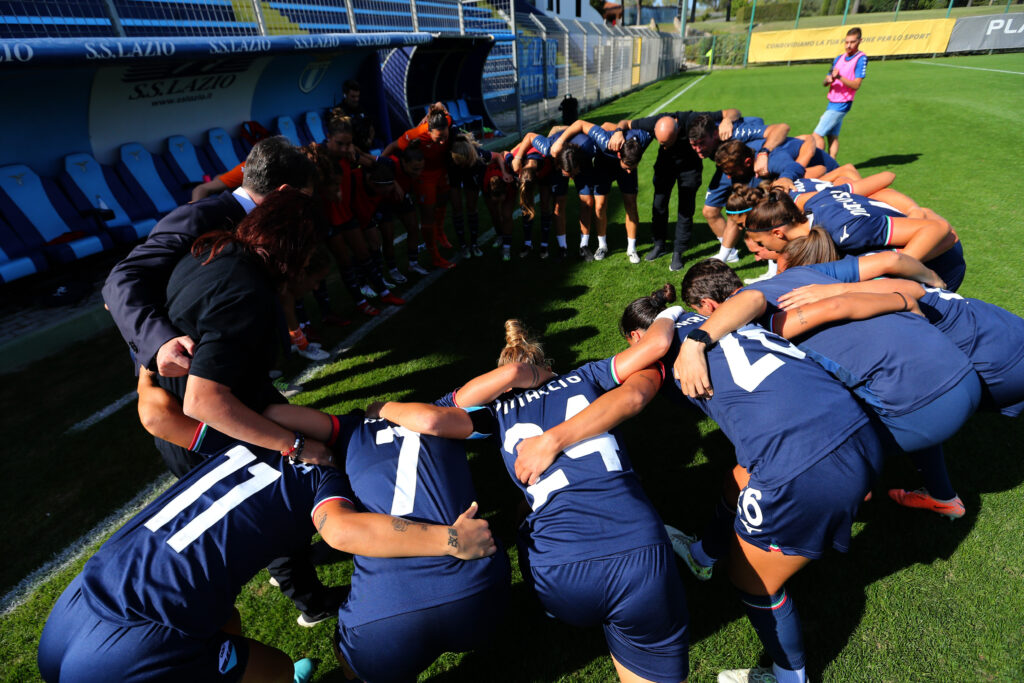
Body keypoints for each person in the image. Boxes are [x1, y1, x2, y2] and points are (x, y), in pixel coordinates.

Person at [586, 282, 890, 683]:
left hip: (801, 465)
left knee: (752, 580)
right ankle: (703, 555)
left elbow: (632, 395)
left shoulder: (657, 348)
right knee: (738, 477)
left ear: (637, 338)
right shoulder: (723, 317)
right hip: (860, 431)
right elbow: (752, 297)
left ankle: (788, 676)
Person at [370, 320, 691, 683]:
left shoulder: (493, 414)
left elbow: (429, 420)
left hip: (560, 573)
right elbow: (653, 352)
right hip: (637, 550)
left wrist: (382, 405)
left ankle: (556, 610)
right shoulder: (587, 375)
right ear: (546, 364)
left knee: (524, 518)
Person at [37, 438, 496, 683]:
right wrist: (452, 538)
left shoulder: (245, 443)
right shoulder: (324, 470)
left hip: (76, 607)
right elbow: (341, 530)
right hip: (133, 644)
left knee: (223, 621)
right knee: (274, 671)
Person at [679, 258, 981, 524]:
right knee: (897, 387)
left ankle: (840, 509)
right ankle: (942, 495)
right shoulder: (797, 274)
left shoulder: (758, 322)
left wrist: (696, 341)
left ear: (708, 306)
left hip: (926, 409)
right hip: (961, 372)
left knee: (828, 444)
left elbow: (752, 300)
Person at [776, 232, 1024, 515]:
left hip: (995, 359)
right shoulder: (856, 265)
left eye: (784, 274)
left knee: (907, 399)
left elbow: (906, 296)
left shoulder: (844, 295)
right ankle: (938, 492)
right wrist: (932, 277)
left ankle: (913, 493)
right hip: (1003, 326)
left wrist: (836, 293)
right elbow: (898, 264)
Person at [103, 136, 315, 380]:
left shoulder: (253, 223)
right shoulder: (200, 217)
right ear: (284, 193)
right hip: (187, 364)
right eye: (304, 199)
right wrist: (161, 342)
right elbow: (123, 277)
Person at [749, 184, 966, 291]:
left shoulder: (846, 230)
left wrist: (900, 269)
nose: (763, 251)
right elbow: (877, 192)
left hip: (943, 264)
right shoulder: (814, 202)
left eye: (760, 243)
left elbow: (936, 230)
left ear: (778, 232)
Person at [609, 109, 740, 270]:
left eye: (668, 143)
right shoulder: (656, 121)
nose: (665, 146)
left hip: (690, 169)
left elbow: (733, 111)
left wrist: (727, 120)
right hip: (665, 167)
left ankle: (679, 251)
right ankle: (659, 244)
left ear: (678, 131)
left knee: (685, 210)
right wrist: (618, 132)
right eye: (661, 143)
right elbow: (626, 122)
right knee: (659, 205)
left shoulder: (692, 119)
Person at [549, 118, 654, 263]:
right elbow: (598, 125)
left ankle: (632, 249)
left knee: (631, 205)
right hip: (604, 168)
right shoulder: (605, 142)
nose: (630, 171)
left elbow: (658, 123)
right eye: (629, 167)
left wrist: (620, 130)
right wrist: (560, 139)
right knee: (599, 205)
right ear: (618, 155)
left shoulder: (643, 138)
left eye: (633, 167)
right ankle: (602, 246)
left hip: (626, 160)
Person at [381, 103, 457, 268]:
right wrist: (381, 166)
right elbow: (393, 146)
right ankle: (435, 255)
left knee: (444, 200)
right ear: (428, 131)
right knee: (427, 215)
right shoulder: (415, 135)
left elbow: (439, 106)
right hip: (425, 176)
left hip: (441, 170)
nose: (443, 142)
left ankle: (440, 232)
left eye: (446, 136)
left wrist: (439, 105)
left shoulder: (447, 121)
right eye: (439, 138)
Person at [813, 27, 867, 160]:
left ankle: (819, 164)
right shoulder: (838, 58)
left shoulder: (861, 59)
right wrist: (828, 80)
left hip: (842, 103)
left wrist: (839, 77)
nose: (848, 46)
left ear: (860, 41)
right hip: (832, 101)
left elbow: (856, 85)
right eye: (846, 42)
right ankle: (833, 166)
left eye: (852, 42)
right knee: (832, 136)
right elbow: (825, 81)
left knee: (817, 135)